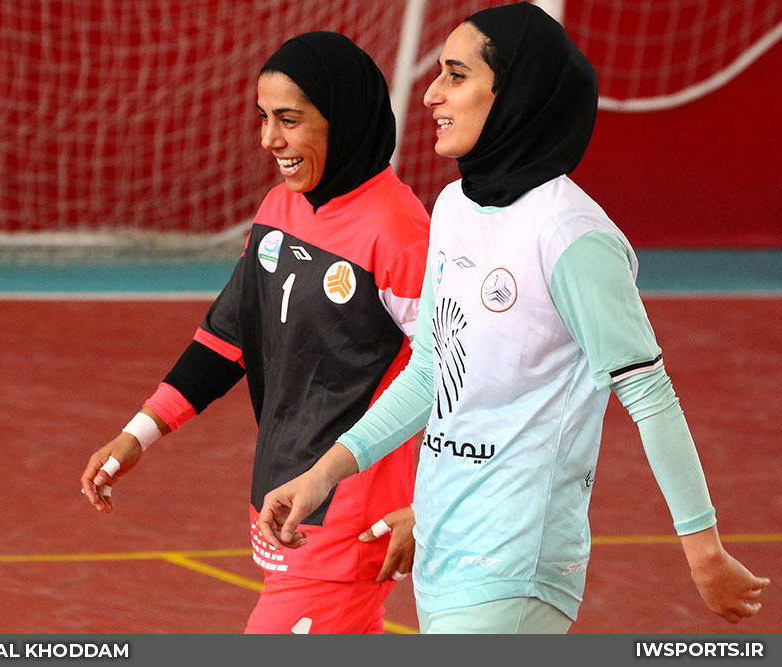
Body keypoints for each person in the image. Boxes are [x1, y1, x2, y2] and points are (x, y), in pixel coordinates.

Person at [257, 2, 769, 634]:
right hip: (443, 549)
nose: (431, 95)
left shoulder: (571, 236)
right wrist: (325, 474)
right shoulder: (454, 207)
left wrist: (703, 549)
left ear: (514, 93)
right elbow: (430, 373)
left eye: (456, 75)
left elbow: (650, 396)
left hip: (518, 563)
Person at [80, 31, 430, 634]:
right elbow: (228, 338)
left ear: (343, 119)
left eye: (289, 120)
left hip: (351, 512)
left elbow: (456, 377)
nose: (269, 139)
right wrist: (138, 433)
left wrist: (431, 507)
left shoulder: (400, 233)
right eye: (264, 118)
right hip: (283, 492)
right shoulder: (278, 210)